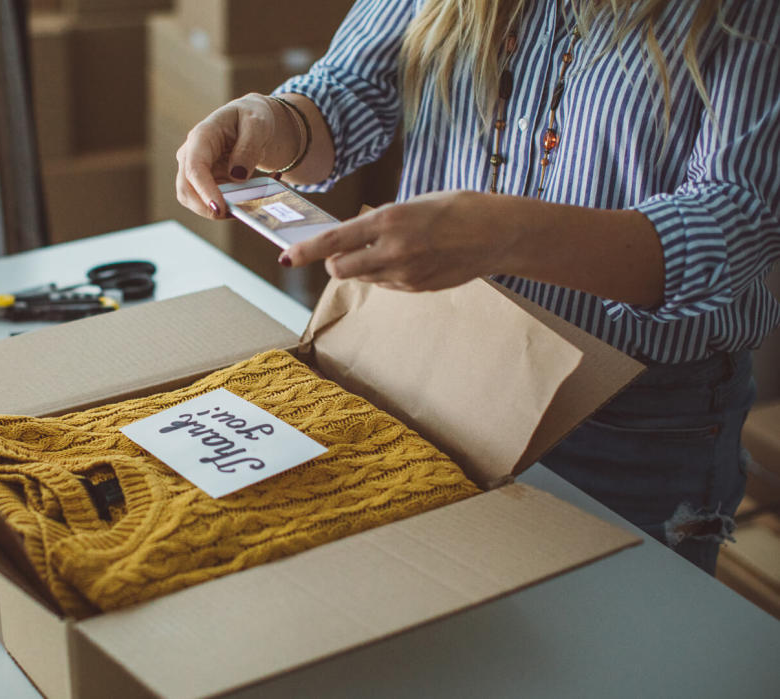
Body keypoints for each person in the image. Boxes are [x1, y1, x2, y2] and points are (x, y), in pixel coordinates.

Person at [175, 0, 780, 574]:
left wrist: (508, 236)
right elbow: (352, 89)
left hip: (630, 420)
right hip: (439, 365)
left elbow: (736, 224)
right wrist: (273, 121)